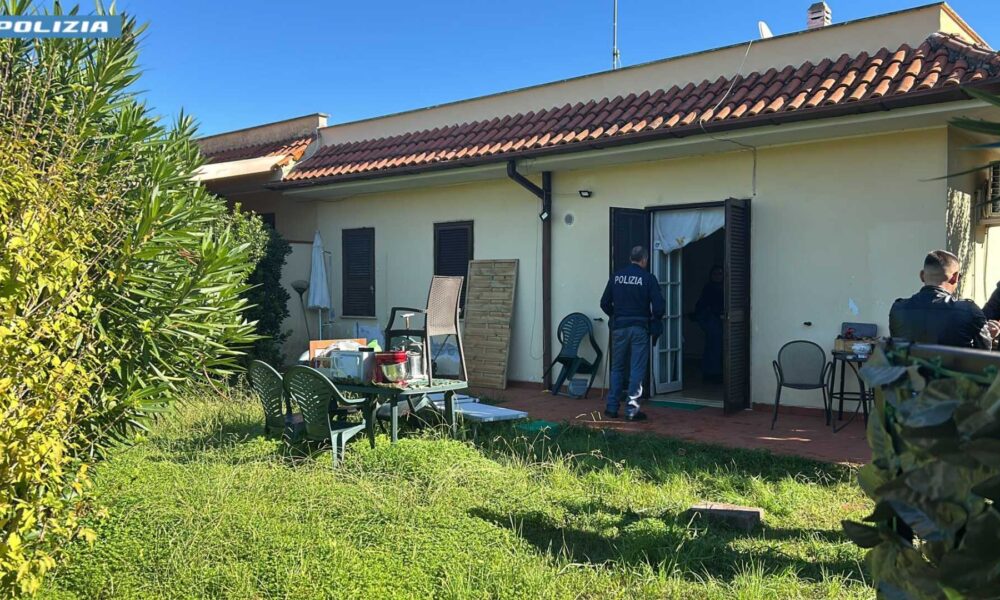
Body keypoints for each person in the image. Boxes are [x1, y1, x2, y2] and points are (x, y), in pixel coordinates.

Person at [600, 245, 666, 421]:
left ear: (631, 258)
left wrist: (615, 315)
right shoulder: (648, 278)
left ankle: (611, 408)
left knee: (617, 368)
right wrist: (655, 320)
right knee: (637, 368)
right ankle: (632, 410)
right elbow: (659, 307)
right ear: (644, 260)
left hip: (619, 327)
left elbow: (604, 302)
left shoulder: (616, 277)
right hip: (639, 327)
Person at [889, 250, 992, 349]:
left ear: (922, 276)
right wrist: (988, 334)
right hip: (952, 362)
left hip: (911, 362)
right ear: (955, 277)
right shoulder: (969, 311)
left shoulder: (898, 309)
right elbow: (984, 354)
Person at [693, 265, 724, 383]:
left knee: (717, 347)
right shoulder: (709, 288)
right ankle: (711, 373)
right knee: (713, 347)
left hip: (718, 321)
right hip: (710, 320)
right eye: (715, 274)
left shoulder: (725, 287)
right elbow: (704, 306)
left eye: (720, 274)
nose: (718, 276)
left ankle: (716, 373)